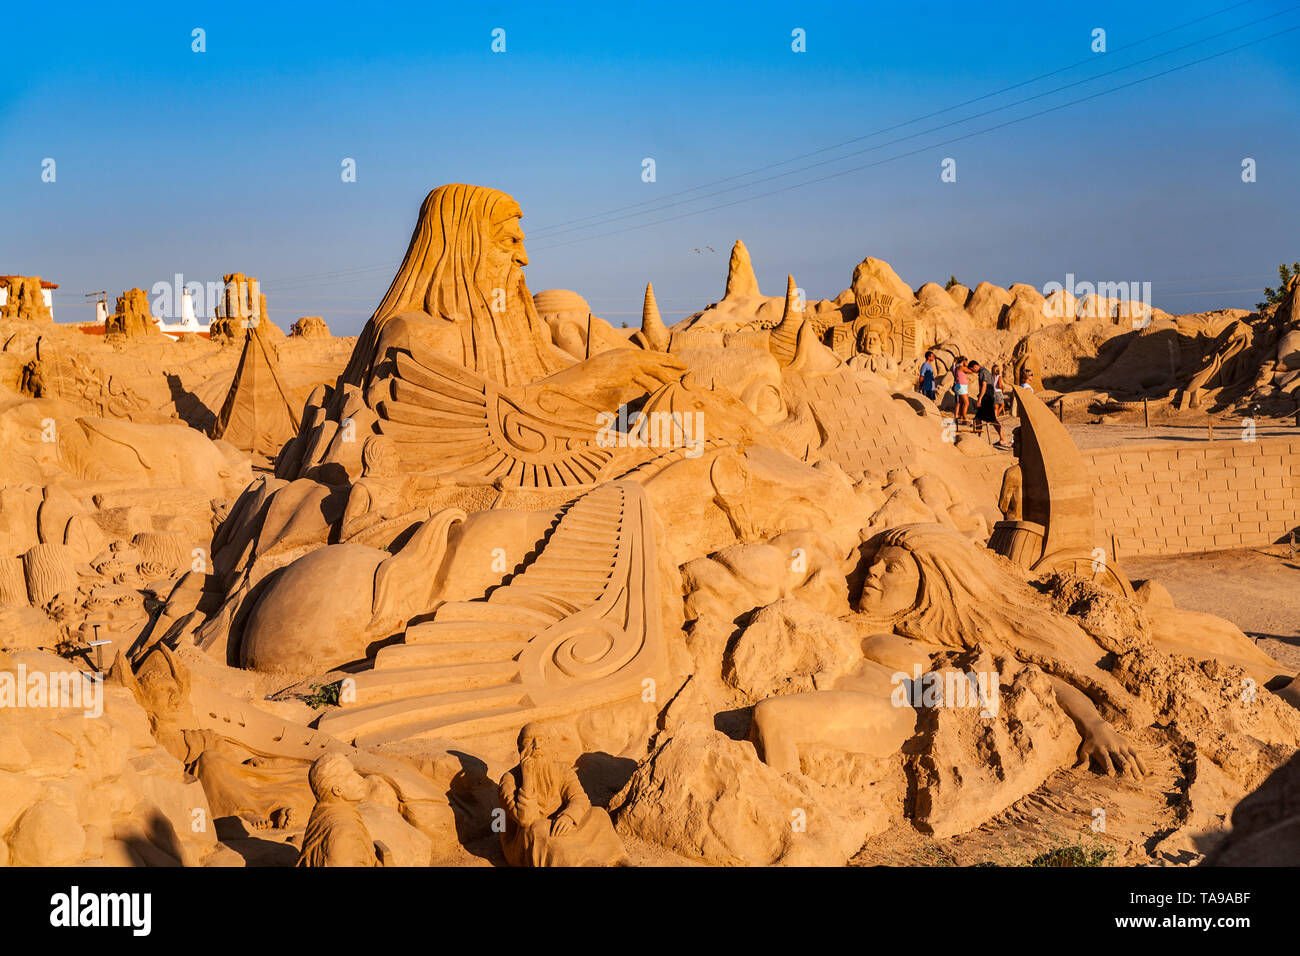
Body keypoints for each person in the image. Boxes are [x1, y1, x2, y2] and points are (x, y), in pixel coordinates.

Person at [970, 360, 1007, 448]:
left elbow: (984, 386)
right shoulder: (985, 371)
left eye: (972, 369)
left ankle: (1002, 438)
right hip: (988, 397)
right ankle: (978, 438)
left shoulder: (983, 372)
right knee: (979, 418)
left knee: (990, 419)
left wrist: (979, 399)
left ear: (975, 366)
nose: (973, 371)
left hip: (987, 398)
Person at [953, 356, 970, 424]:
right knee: (966, 403)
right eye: (967, 361)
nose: (967, 363)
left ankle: (957, 417)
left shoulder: (957, 367)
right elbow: (970, 371)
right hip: (961, 386)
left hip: (960, 386)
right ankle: (965, 418)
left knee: (960, 403)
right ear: (963, 361)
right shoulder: (961, 367)